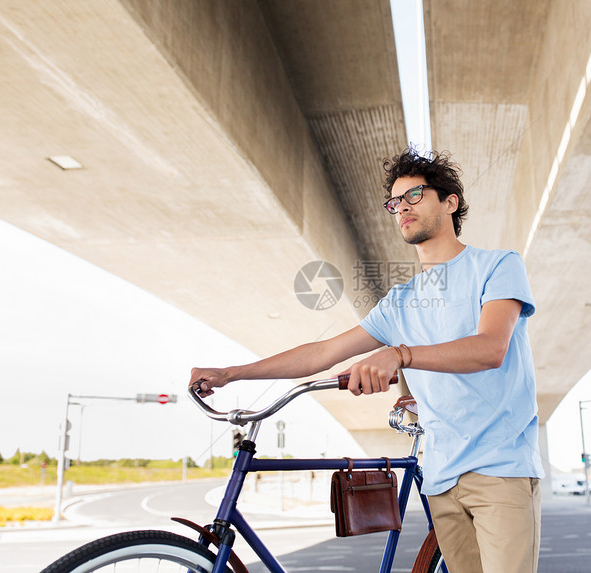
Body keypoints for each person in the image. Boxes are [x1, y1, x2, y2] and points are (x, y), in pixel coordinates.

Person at [190, 148, 543, 572]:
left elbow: (490, 348)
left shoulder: (497, 265)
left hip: (500, 468)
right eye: (394, 202)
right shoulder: (400, 303)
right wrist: (231, 374)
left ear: (449, 202)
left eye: (414, 195)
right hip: (442, 475)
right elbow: (322, 352)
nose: (401, 208)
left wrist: (400, 355)